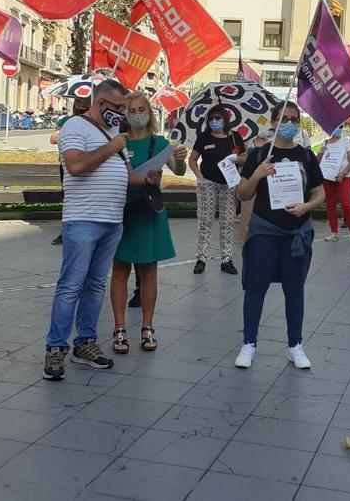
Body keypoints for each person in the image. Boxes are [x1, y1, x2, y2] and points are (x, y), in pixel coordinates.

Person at [44, 80, 160, 381]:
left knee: (95, 284)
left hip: (112, 221)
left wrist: (146, 179)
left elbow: (120, 175)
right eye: (119, 108)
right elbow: (76, 166)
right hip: (83, 219)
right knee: (71, 285)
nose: (122, 114)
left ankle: (85, 342)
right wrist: (112, 147)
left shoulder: (113, 133)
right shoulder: (75, 127)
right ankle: (56, 347)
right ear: (102, 103)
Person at [234, 101, 324, 369]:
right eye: (283, 118)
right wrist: (258, 174)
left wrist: (306, 207)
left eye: (294, 119)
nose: (289, 123)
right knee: (255, 288)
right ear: (273, 122)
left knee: (294, 290)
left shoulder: (306, 156)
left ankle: (295, 345)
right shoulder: (259, 153)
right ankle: (249, 343)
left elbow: (320, 193)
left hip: (296, 233)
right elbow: (243, 193)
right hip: (264, 232)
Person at [109, 91, 187, 354]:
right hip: (123, 211)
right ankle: (119, 328)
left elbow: (179, 170)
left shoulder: (160, 142)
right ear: (125, 115)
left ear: (150, 113)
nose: (137, 115)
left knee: (149, 272)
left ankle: (147, 326)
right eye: (132, 111)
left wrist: (181, 159)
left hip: (149, 211)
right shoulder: (117, 142)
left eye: (142, 109)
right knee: (120, 271)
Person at [189, 104, 244, 275]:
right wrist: (200, 178)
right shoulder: (205, 137)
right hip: (208, 185)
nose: (214, 121)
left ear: (225, 119)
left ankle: (226, 260)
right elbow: (192, 160)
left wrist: (237, 159)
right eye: (211, 119)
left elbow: (245, 157)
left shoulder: (235, 137)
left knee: (227, 222)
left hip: (229, 185)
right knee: (205, 221)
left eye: (217, 118)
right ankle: (201, 258)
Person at [52, 96, 91, 246]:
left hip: (87, 164)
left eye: (84, 103)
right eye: (78, 103)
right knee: (68, 197)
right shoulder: (66, 121)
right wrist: (72, 128)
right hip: (67, 166)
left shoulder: (93, 121)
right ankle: (66, 231)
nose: (80, 106)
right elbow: (53, 138)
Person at [317, 123, 350, 242]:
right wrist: (320, 153)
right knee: (330, 204)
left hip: (345, 177)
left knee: (346, 203)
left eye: (340, 126)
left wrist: (343, 174)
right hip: (328, 178)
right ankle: (334, 232)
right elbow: (319, 161)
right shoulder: (326, 142)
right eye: (335, 126)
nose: (337, 129)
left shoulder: (346, 142)